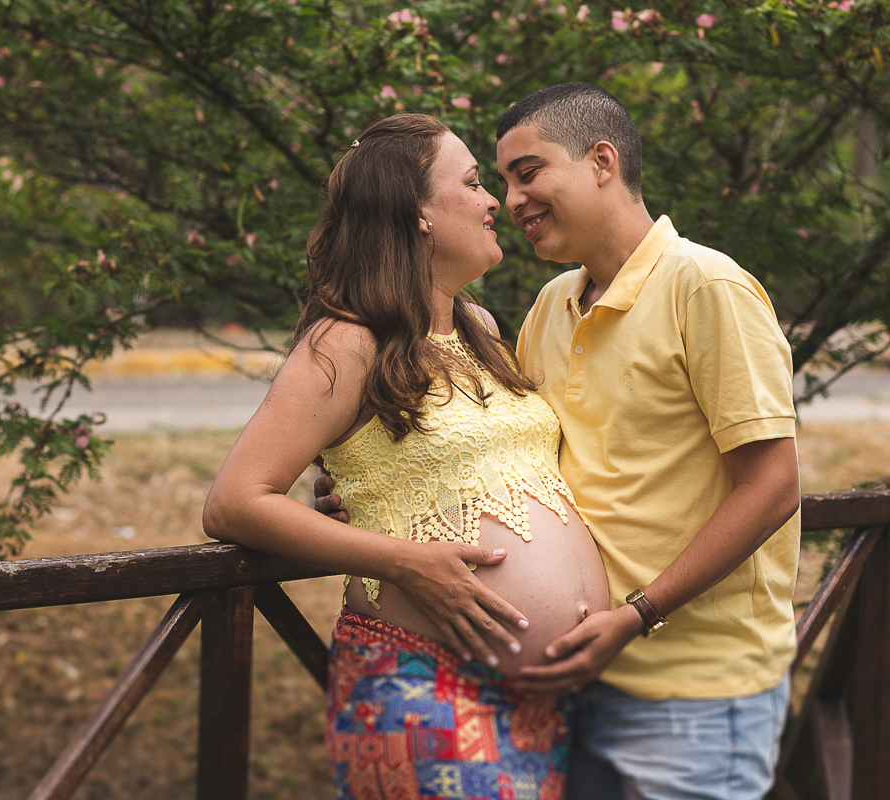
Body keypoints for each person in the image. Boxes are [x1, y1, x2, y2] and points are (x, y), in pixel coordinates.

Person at [317, 83, 802, 800]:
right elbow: (507, 453)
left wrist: (637, 615)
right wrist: (373, 484)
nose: (510, 200)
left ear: (602, 162)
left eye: (528, 172)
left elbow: (774, 486)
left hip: (691, 690)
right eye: (498, 181)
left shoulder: (705, 286)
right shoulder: (551, 305)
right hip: (569, 689)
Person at [203, 113, 609, 800]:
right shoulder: (347, 341)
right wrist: (403, 560)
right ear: (417, 212)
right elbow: (235, 502)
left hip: (550, 702)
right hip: (427, 687)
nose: (494, 202)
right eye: (474, 183)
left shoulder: (480, 328)